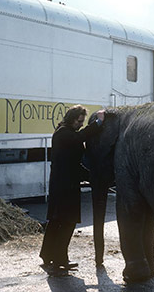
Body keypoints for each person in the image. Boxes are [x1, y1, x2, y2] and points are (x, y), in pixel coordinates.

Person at [39, 105, 104, 276]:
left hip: (62, 183)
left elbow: (73, 160)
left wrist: (91, 176)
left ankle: (48, 255)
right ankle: (60, 259)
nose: (81, 125)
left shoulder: (63, 132)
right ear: (72, 118)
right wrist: (98, 123)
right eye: (79, 121)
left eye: (83, 122)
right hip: (66, 185)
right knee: (67, 221)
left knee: (56, 220)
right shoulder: (64, 133)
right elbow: (80, 138)